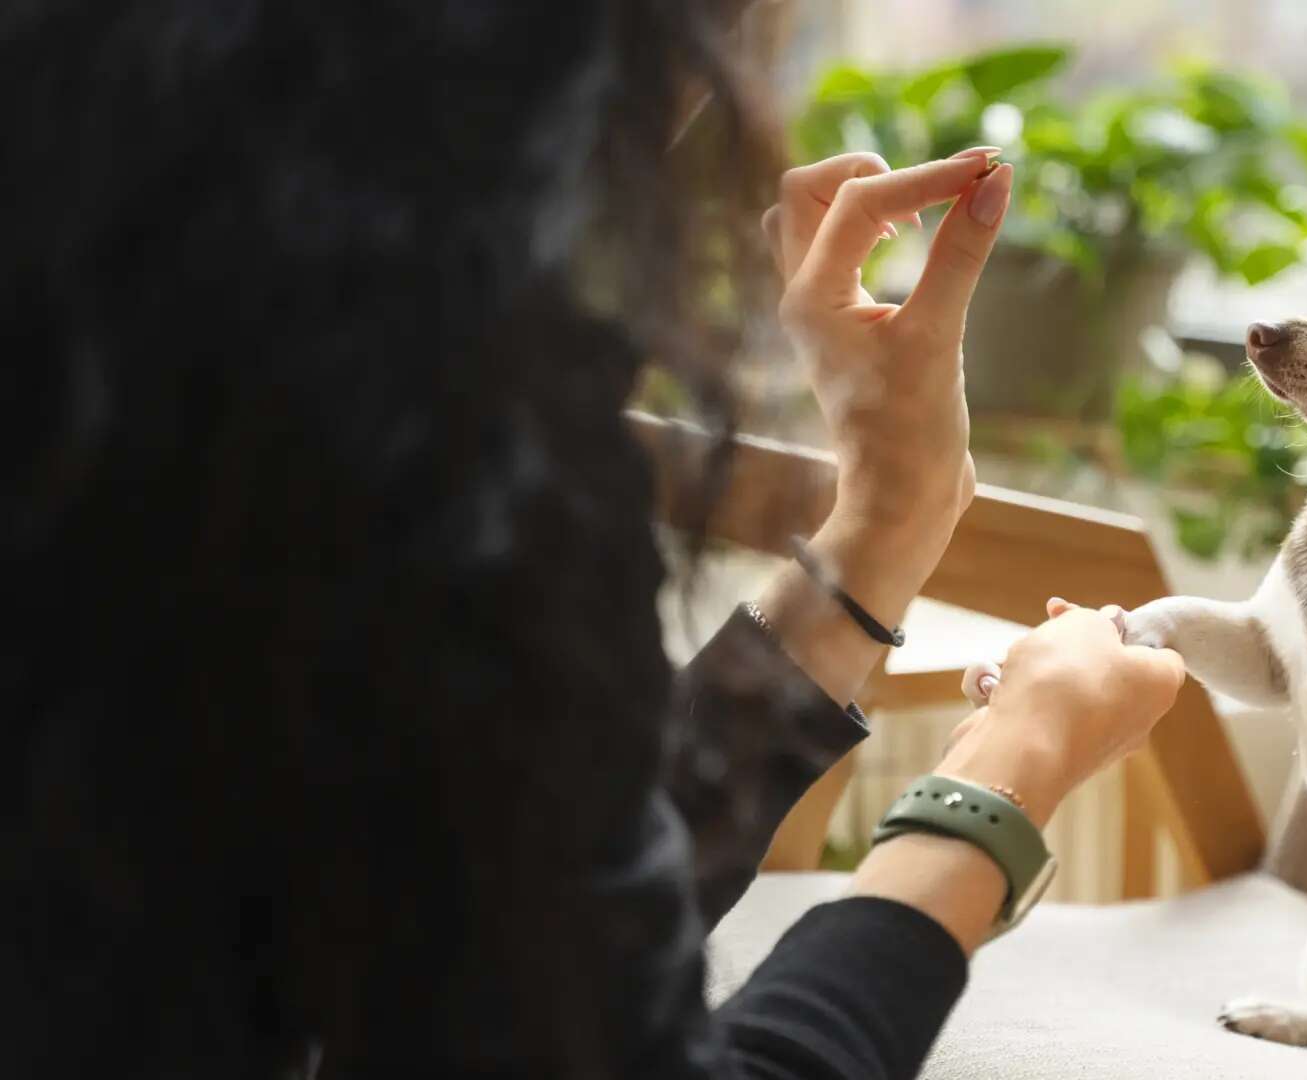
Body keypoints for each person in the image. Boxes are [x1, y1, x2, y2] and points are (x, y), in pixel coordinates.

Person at [2, 3, 1188, 1078]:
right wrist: (1004, 774)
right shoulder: (430, 428)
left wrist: (885, 521)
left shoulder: (143, 321)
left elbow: (518, 924)